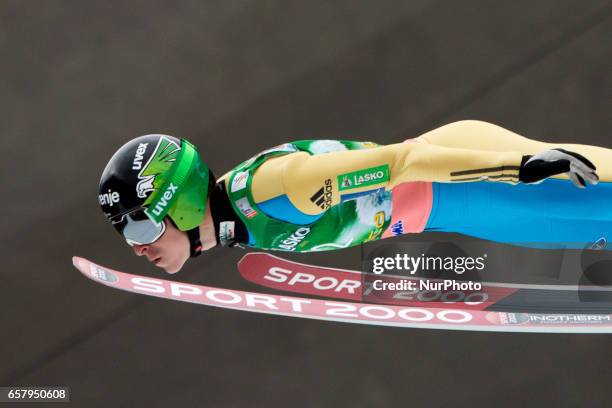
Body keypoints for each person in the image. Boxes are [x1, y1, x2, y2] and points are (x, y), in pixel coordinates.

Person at [98, 120, 609, 274]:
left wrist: (519, 168)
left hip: (477, 178)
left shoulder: (273, 191)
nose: (137, 247)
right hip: (467, 208)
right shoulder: (238, 217)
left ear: (180, 206)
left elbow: (399, 163)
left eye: (139, 228)